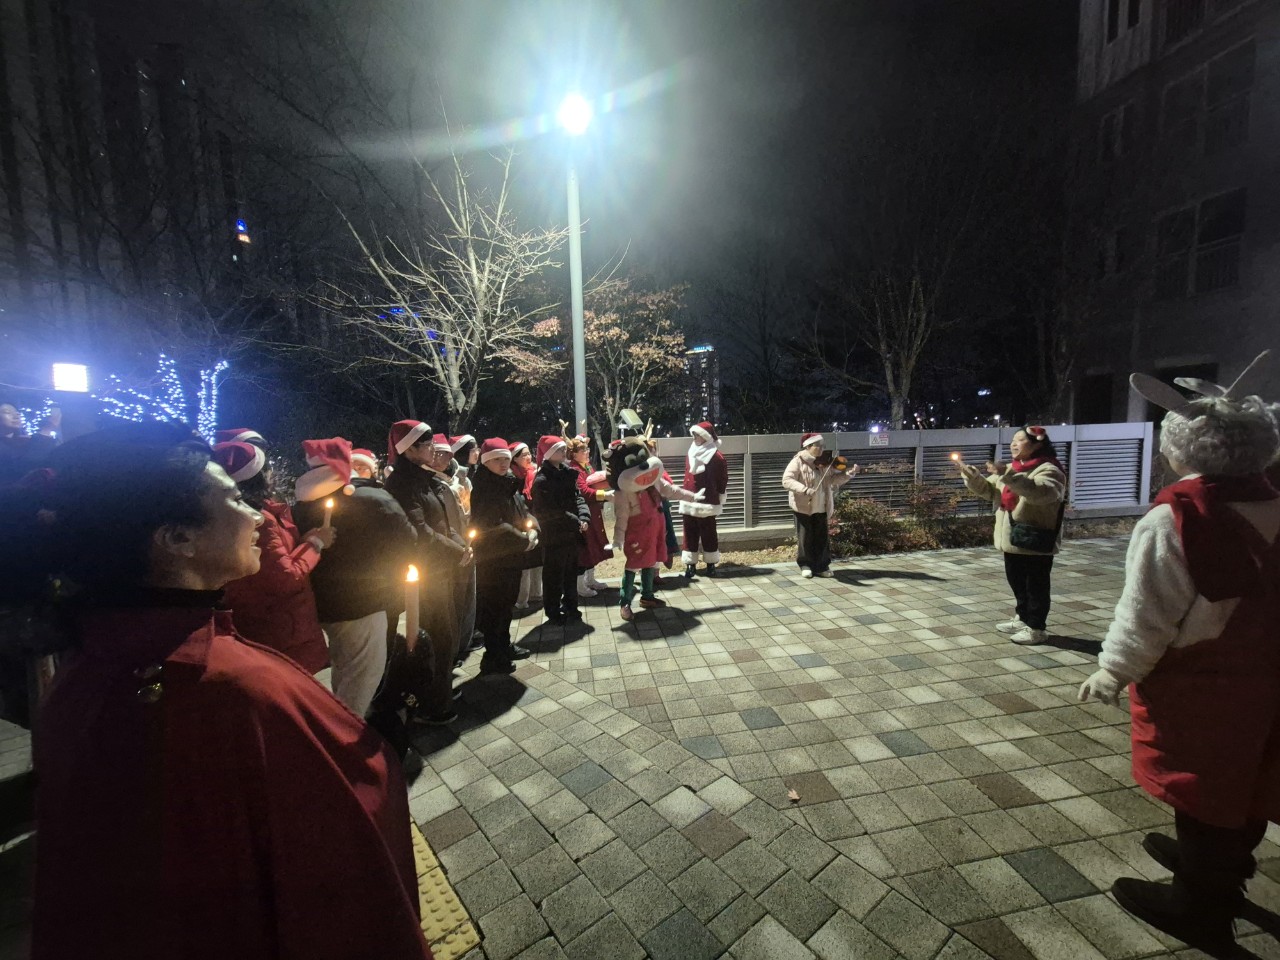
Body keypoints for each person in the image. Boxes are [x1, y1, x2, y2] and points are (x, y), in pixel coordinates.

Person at [28, 422, 432, 959]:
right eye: (233, 500)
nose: (254, 516)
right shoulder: (228, 692)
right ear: (176, 539)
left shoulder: (83, 682)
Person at [1077, 357, 1280, 954]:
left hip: (1203, 687)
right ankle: (1221, 866)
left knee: (1206, 785)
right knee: (1252, 778)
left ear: (1184, 448)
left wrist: (1114, 668)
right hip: (1271, 679)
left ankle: (1201, 904)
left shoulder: (1176, 519)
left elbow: (1147, 612)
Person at [293, 437, 416, 718]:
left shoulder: (300, 504)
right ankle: (347, 742)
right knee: (361, 678)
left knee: (344, 669)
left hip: (322, 602)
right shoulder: (371, 499)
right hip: (364, 603)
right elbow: (408, 539)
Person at [212, 441, 332, 673]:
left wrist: (303, 540)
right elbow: (284, 576)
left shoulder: (242, 516)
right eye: (267, 469)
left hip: (263, 625)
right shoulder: (260, 521)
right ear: (259, 477)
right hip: (280, 631)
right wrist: (316, 543)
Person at [384, 423, 471, 724]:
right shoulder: (402, 485)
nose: (434, 447)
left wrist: (461, 544)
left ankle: (440, 691)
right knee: (438, 635)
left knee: (447, 632)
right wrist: (457, 550)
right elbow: (421, 532)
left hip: (442, 566)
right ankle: (433, 704)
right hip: (426, 571)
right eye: (427, 443)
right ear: (409, 450)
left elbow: (444, 522)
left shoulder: (423, 479)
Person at [957, 425, 1067, 644]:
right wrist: (972, 476)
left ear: (1038, 444)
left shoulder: (1049, 469)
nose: (1014, 444)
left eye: (1020, 440)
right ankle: (1023, 617)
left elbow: (1041, 493)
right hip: (1013, 538)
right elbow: (990, 491)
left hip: (1035, 537)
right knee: (1017, 580)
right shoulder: (1013, 468)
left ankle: (1037, 628)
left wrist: (1007, 475)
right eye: (1013, 440)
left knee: (1036, 585)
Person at [606, 435, 704, 621]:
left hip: (655, 531)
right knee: (633, 566)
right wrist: (618, 539)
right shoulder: (624, 493)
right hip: (636, 535)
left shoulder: (654, 481)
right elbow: (622, 517)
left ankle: (647, 596)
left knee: (651, 561)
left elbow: (672, 490)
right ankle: (625, 602)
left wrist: (692, 496)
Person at [470, 438, 540, 673]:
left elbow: (523, 510)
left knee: (506, 605)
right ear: (486, 462)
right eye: (496, 460)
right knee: (495, 608)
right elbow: (493, 526)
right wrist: (524, 539)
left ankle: (504, 645)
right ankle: (492, 656)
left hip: (510, 556)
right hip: (494, 559)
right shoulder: (484, 488)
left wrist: (532, 527)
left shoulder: (506, 483)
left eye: (505, 459)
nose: (502, 464)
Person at [782, 432, 858, 579]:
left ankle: (822, 566)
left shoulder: (824, 463)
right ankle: (805, 565)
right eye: (819, 446)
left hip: (822, 506)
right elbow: (787, 480)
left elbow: (832, 480)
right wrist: (804, 489)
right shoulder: (798, 461)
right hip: (803, 507)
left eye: (823, 446)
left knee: (822, 538)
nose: (822, 449)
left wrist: (849, 474)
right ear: (808, 447)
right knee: (805, 538)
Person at [530, 435, 590, 624]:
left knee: (571, 572)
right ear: (548, 454)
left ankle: (571, 606)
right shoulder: (541, 481)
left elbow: (578, 497)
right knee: (553, 575)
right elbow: (549, 511)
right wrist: (576, 521)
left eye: (564, 449)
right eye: (559, 449)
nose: (564, 452)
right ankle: (553, 611)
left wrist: (584, 516)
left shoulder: (567, 473)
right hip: (554, 534)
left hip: (571, 532)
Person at [680, 421, 729, 578]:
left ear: (706, 437)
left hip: (708, 500)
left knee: (709, 533)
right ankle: (690, 565)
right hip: (689, 498)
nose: (694, 438)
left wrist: (720, 495)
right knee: (689, 533)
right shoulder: (690, 451)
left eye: (698, 435)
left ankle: (710, 564)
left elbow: (723, 479)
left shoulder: (717, 457)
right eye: (694, 434)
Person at [567, 436, 611, 596]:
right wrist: (605, 495)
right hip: (583, 514)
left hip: (592, 513)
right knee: (584, 549)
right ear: (573, 454)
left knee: (593, 546)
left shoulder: (586, 467)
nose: (587, 452)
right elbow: (584, 491)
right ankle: (580, 586)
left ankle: (590, 580)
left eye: (587, 449)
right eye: (583, 450)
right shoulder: (574, 469)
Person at [509, 441, 542, 609]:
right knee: (525, 563)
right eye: (524, 455)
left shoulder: (533, 472)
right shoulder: (512, 476)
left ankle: (537, 593)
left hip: (535, 519)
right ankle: (522, 600)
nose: (529, 457)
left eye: (530, 453)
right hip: (520, 523)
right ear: (514, 459)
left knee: (536, 560)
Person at [0, 402, 59, 487]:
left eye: (17, 412)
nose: (16, 415)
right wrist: (46, 432)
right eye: (7, 412)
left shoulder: (28, 441)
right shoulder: (34, 442)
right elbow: (25, 464)